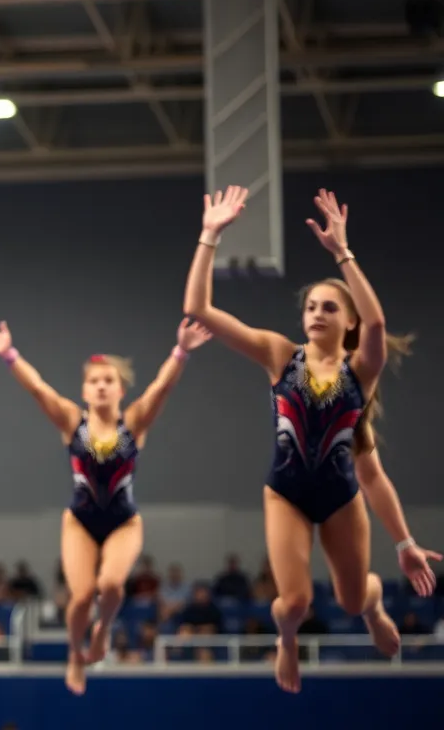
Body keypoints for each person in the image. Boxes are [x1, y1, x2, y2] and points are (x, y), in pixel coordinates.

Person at [183, 186, 438, 692]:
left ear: (348, 323)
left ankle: (372, 607)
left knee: (350, 598)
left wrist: (342, 253)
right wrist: (210, 235)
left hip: (341, 500)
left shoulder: (361, 372)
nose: (317, 312)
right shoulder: (280, 355)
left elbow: (373, 476)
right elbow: (200, 308)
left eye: (330, 307)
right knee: (294, 603)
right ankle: (286, 640)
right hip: (286, 495)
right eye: (311, 306)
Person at [0, 317, 212, 694]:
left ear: (120, 389)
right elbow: (39, 390)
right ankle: (74, 654)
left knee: (112, 585)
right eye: (94, 381)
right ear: (85, 390)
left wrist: (180, 351)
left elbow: (162, 388)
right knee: (82, 595)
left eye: (108, 381)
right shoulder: (73, 421)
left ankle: (102, 630)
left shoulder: (134, 422)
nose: (101, 386)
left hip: (124, 522)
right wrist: (9, 355)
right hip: (80, 521)